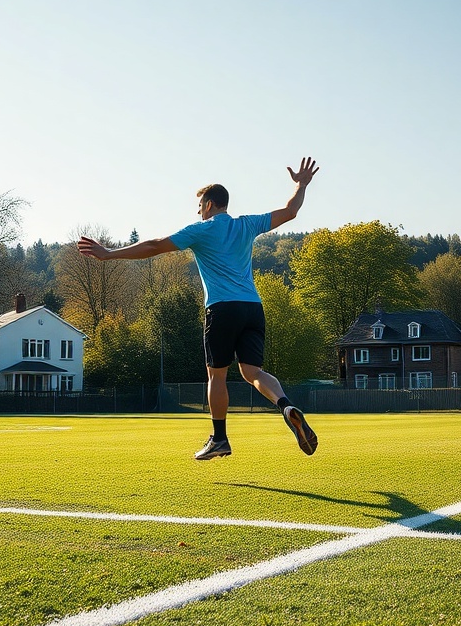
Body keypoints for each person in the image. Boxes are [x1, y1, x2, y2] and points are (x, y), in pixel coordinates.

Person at [77, 157, 320, 461]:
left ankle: (220, 439)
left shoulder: (201, 230)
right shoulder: (247, 224)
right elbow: (290, 211)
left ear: (208, 205)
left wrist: (109, 253)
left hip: (222, 309)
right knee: (252, 372)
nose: (198, 212)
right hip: (252, 309)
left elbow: (154, 246)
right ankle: (285, 405)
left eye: (199, 207)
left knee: (216, 377)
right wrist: (301, 185)